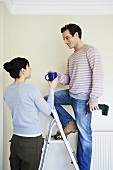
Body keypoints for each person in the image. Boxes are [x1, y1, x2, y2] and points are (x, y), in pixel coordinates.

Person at [50, 23, 104, 170]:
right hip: (71, 93)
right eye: (64, 39)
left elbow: (98, 74)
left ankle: (83, 168)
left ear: (76, 35)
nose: (65, 41)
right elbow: (69, 79)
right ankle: (70, 123)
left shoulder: (90, 51)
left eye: (67, 38)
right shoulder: (71, 57)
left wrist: (94, 97)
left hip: (83, 99)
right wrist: (60, 77)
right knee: (48, 100)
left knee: (84, 137)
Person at [3, 57, 58, 170]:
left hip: (16, 140)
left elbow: (24, 108)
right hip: (31, 141)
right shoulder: (31, 89)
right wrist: (52, 89)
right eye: (28, 66)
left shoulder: (7, 91)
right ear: (23, 70)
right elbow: (48, 110)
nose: (31, 69)